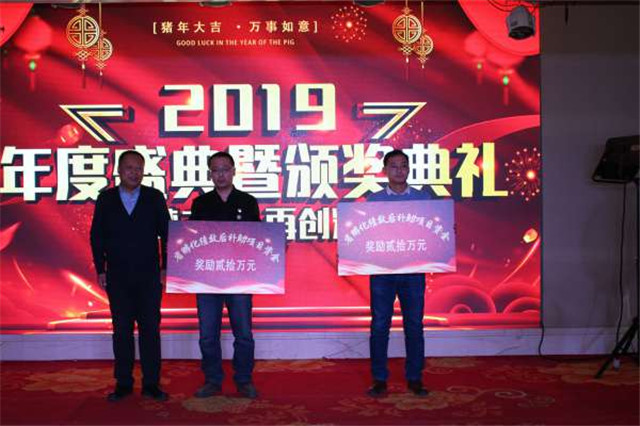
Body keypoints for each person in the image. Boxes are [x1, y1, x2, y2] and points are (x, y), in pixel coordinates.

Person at [90, 150, 170, 402]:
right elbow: (97, 236)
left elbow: (167, 234)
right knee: (121, 330)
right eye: (129, 168)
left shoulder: (154, 197)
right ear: (119, 170)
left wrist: (165, 267)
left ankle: (151, 383)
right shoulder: (106, 199)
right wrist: (101, 269)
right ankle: (123, 383)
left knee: (150, 330)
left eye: (138, 168)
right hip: (117, 276)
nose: (134, 173)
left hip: (149, 276)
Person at [190, 151, 261, 399]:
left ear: (233, 172)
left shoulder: (248, 201)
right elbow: (192, 240)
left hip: (240, 278)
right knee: (208, 335)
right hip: (207, 279)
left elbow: (257, 238)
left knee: (243, 334)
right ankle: (212, 380)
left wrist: (274, 244)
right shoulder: (200, 203)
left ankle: (244, 380)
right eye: (216, 170)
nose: (220, 174)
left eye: (225, 169)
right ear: (210, 174)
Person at [366, 149, 429, 397]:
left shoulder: (424, 199)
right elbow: (364, 236)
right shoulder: (374, 201)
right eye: (394, 166)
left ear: (409, 169)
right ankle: (379, 379)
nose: (399, 170)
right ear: (385, 171)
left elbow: (434, 231)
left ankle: (415, 378)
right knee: (380, 325)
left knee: (414, 324)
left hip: (413, 271)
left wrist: (447, 232)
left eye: (403, 165)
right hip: (382, 272)